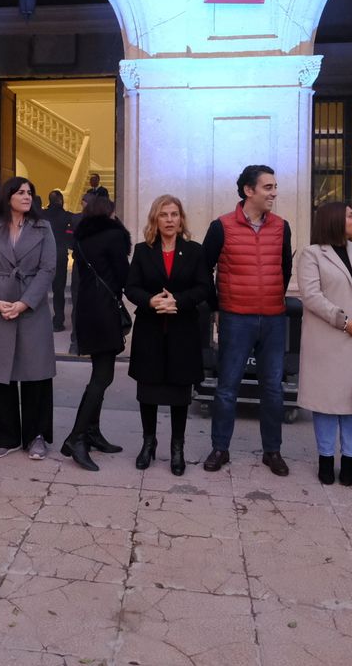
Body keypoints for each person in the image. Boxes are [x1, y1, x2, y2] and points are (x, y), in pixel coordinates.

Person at [202, 164, 294, 476]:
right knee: (227, 386)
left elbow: (285, 268)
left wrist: (270, 298)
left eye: (275, 186)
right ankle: (220, 448)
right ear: (248, 191)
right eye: (268, 187)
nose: (274, 193)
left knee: (272, 388)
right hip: (235, 318)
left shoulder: (282, 227)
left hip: (273, 320)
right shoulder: (221, 226)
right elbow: (204, 269)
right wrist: (217, 306)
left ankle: (273, 451)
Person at [297, 202, 352, 487]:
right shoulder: (312, 254)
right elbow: (311, 296)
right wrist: (344, 321)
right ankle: (325, 459)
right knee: (325, 402)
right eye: (350, 215)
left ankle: (348, 460)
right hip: (328, 338)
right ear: (334, 220)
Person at [124, 194, 213, 475]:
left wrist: (178, 300)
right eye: (164, 215)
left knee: (179, 393)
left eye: (174, 214)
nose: (170, 220)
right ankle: (148, 444)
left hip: (182, 330)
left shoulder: (195, 251)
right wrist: (151, 301)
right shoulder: (142, 250)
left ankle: (177, 449)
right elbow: (131, 287)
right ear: (156, 219)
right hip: (150, 330)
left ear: (181, 218)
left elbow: (204, 288)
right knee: (148, 392)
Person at [0, 177, 58, 460]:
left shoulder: (42, 227)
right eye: (20, 192)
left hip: (31, 309)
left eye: (30, 192)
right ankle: (3, 437)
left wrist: (24, 303)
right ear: (7, 196)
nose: (26, 196)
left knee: (36, 374)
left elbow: (48, 269)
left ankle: (36, 436)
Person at [62, 193, 132, 470]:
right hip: (105, 311)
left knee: (100, 374)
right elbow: (124, 276)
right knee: (102, 377)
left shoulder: (81, 238)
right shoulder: (114, 237)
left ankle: (92, 432)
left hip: (87, 310)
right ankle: (76, 436)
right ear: (108, 213)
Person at [46, 190, 73, 331]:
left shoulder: (42, 215)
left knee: (39, 289)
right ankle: (58, 320)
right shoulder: (66, 216)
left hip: (43, 256)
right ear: (61, 200)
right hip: (60, 256)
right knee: (58, 290)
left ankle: (39, 320)